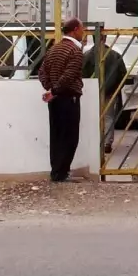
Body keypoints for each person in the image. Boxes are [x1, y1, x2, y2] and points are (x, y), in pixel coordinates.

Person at [39, 18, 86, 183]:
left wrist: (50, 89)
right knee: (70, 136)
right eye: (82, 29)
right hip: (68, 98)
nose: (83, 32)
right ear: (74, 30)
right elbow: (70, 74)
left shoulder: (54, 49)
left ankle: (56, 172)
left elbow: (42, 71)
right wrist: (55, 90)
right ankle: (62, 173)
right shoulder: (75, 51)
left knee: (57, 135)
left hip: (55, 99)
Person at [82, 37, 127, 155]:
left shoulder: (87, 55)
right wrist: (116, 88)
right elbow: (123, 73)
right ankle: (107, 142)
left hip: (92, 91)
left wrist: (86, 88)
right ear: (105, 38)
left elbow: (82, 73)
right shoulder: (115, 55)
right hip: (110, 91)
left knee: (93, 117)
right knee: (108, 117)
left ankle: (94, 142)